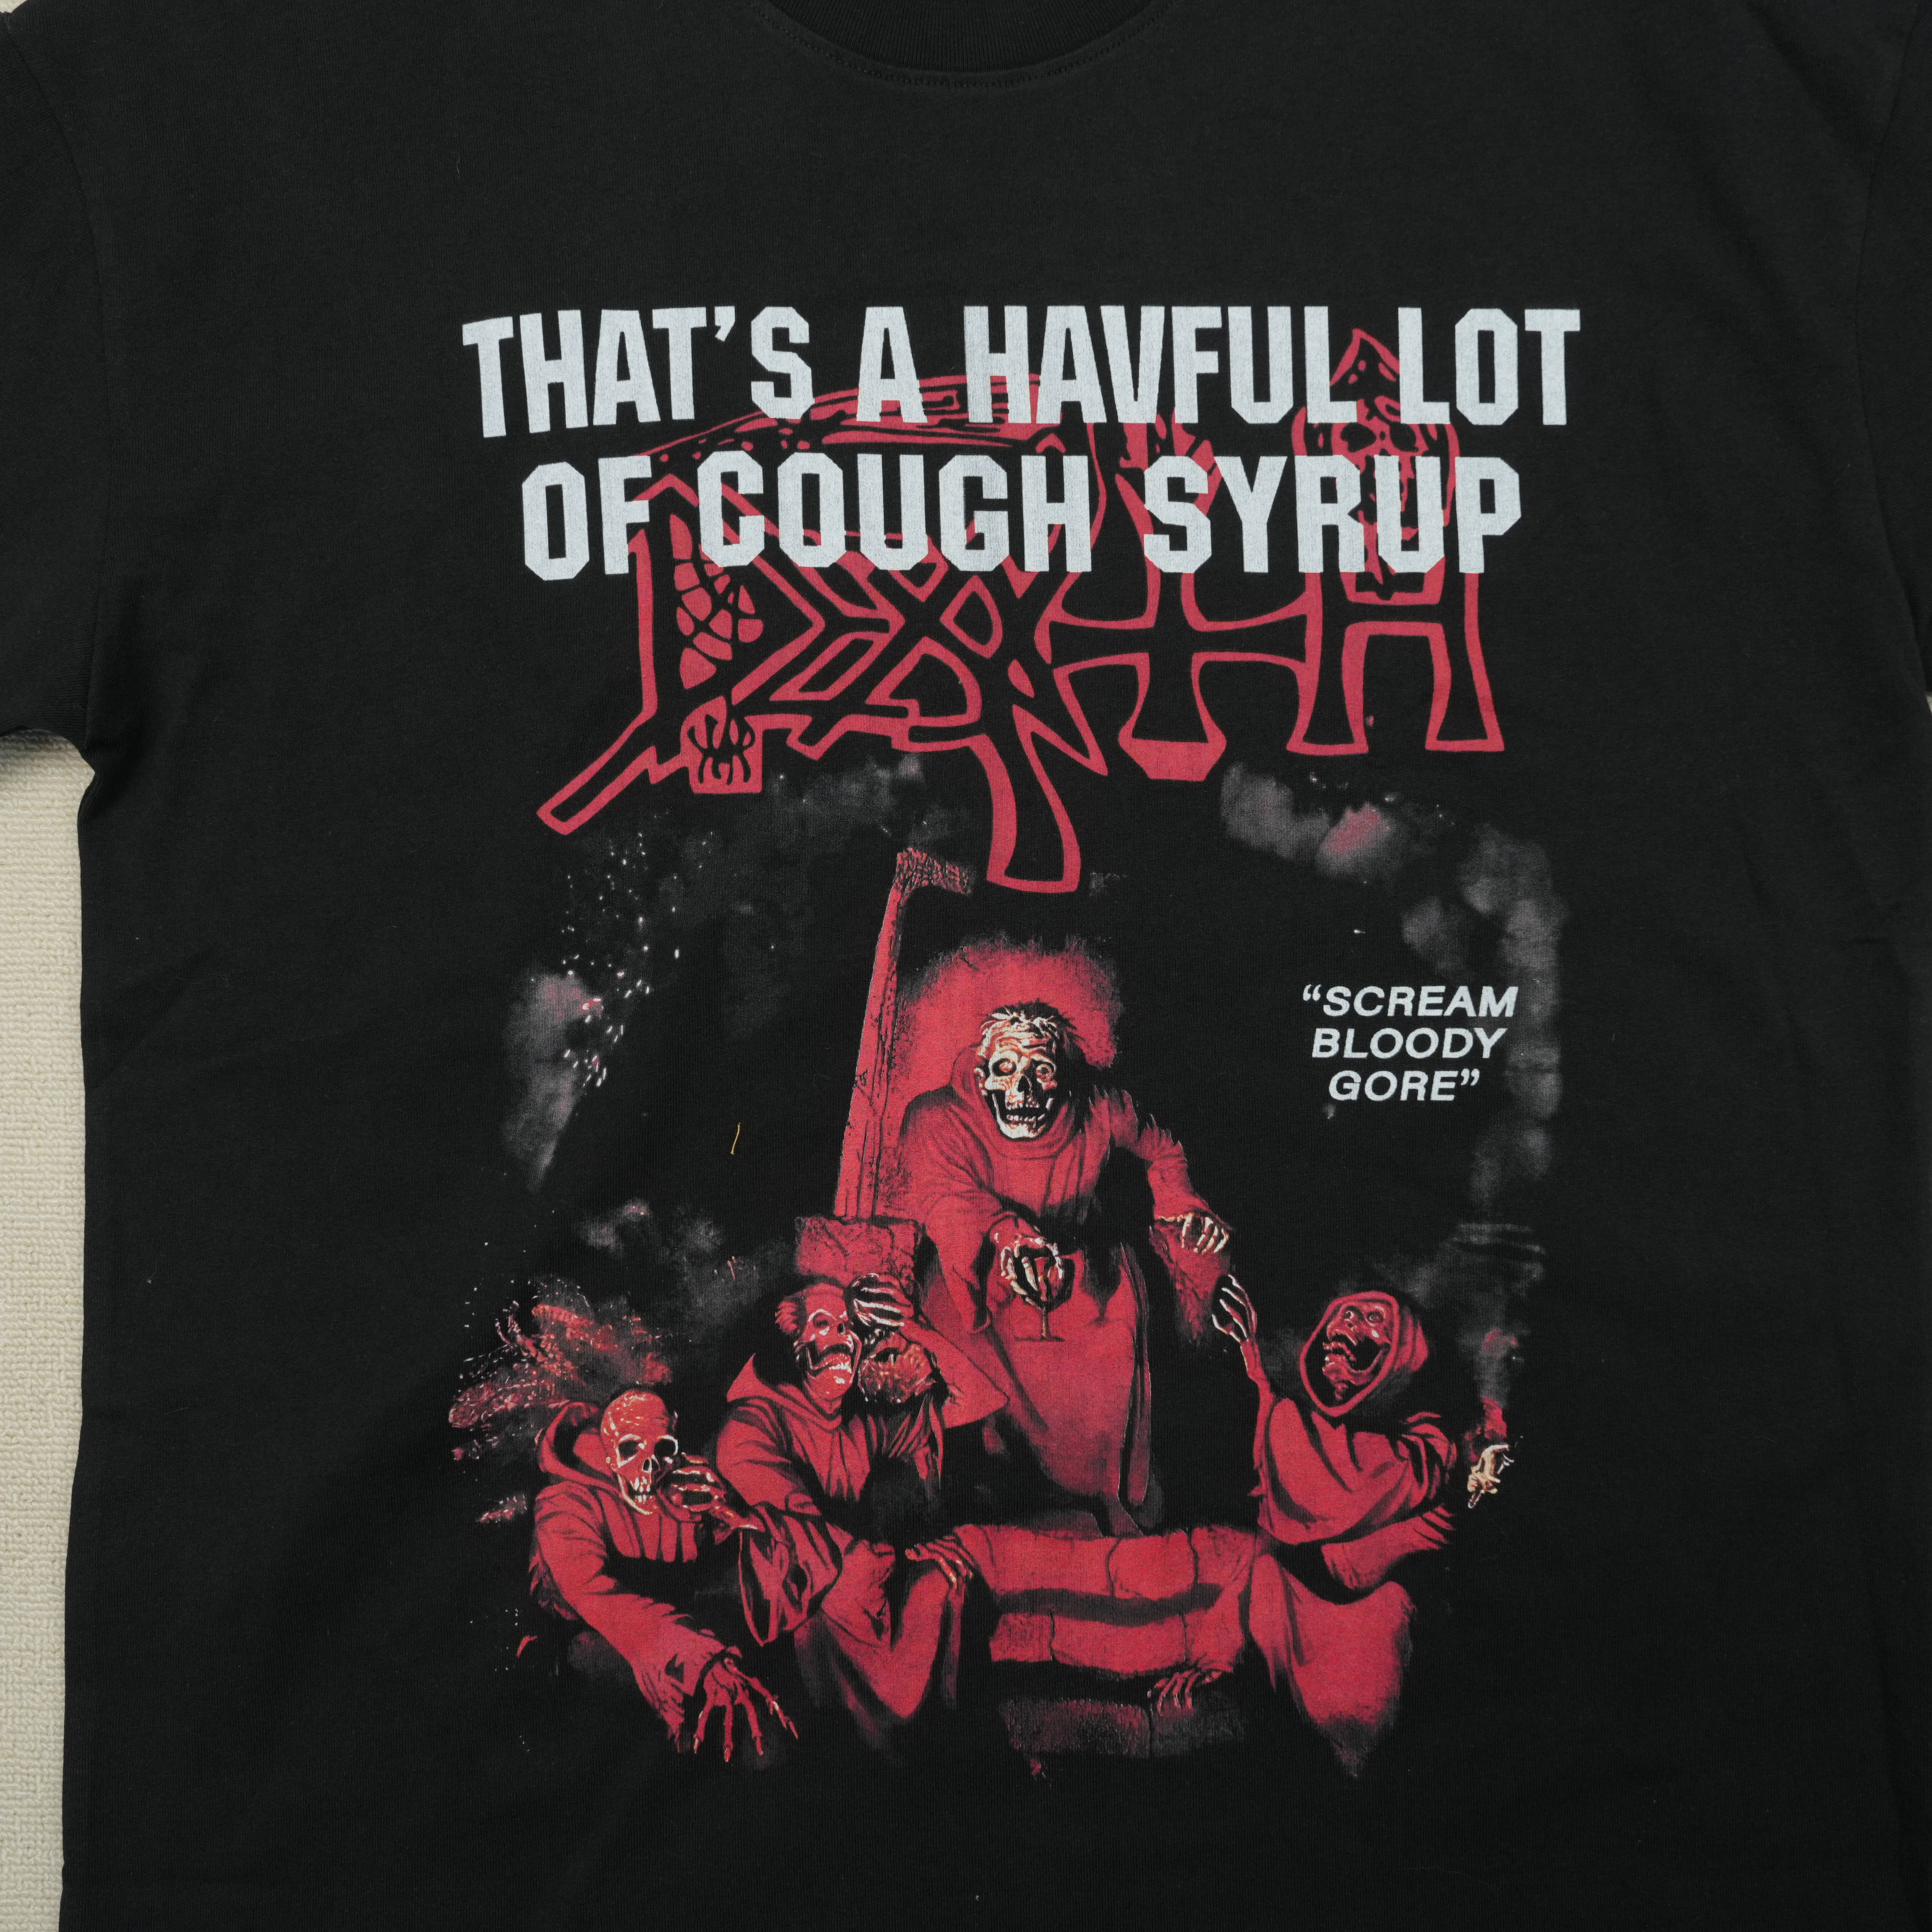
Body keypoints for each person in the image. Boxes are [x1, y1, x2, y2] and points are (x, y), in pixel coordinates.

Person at [892, 1002, 1229, 1534]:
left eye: (1041, 1071)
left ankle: (1102, 1503)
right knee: (961, 1365)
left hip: (1084, 1268)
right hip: (978, 1272)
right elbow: (947, 1199)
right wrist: (1009, 1238)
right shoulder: (936, 1116)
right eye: (1006, 1069)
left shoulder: (1102, 1106)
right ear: (982, 1075)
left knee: (1113, 1352)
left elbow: (1163, 1149)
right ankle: (985, 1507)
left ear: (1062, 1077)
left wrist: (1180, 1202)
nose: (1022, 1090)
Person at [712, 1215, 999, 1749]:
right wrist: (901, 1554)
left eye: (848, 1329)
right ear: (793, 1342)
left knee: (948, 1580)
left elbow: (981, 1399)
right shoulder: (753, 1423)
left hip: (863, 1575)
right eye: (823, 1325)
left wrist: (913, 1325)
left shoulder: (862, 1422)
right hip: (800, 1596)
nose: (840, 1340)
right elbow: (802, 1532)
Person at [1212, 1277, 1456, 1773]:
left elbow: (1332, 1484)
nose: (1348, 1327)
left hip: (1373, 1662)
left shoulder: (1428, 1449)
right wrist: (1254, 1365)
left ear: (1403, 1355)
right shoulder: (1311, 1425)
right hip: (1296, 1640)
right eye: (1345, 1315)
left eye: (1373, 1319)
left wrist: (1260, 1373)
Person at [530, 1385, 793, 1762]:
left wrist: (724, 1517)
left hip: (679, 1632)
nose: (651, 1465)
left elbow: (728, 1559)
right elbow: (592, 1592)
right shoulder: (563, 1504)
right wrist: (697, 1658)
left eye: (663, 1448)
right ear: (608, 1454)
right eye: (631, 1449)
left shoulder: (685, 1479)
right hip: (595, 1643)